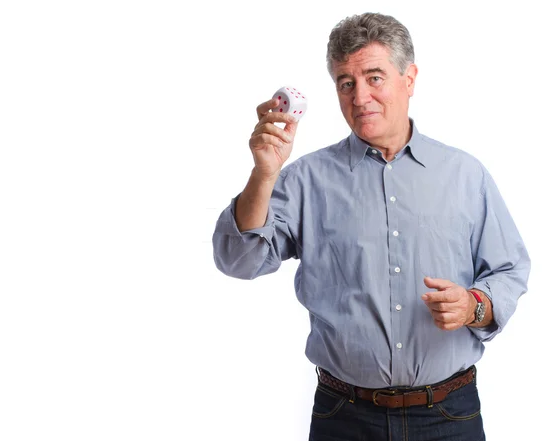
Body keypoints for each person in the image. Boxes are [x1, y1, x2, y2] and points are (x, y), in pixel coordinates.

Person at [212, 12, 530, 441]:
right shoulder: (305, 178)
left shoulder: (464, 174)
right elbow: (239, 260)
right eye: (346, 82)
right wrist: (265, 174)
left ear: (409, 78)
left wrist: (474, 305)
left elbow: (508, 270)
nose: (360, 97)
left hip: (449, 417)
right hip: (344, 417)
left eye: (374, 77)